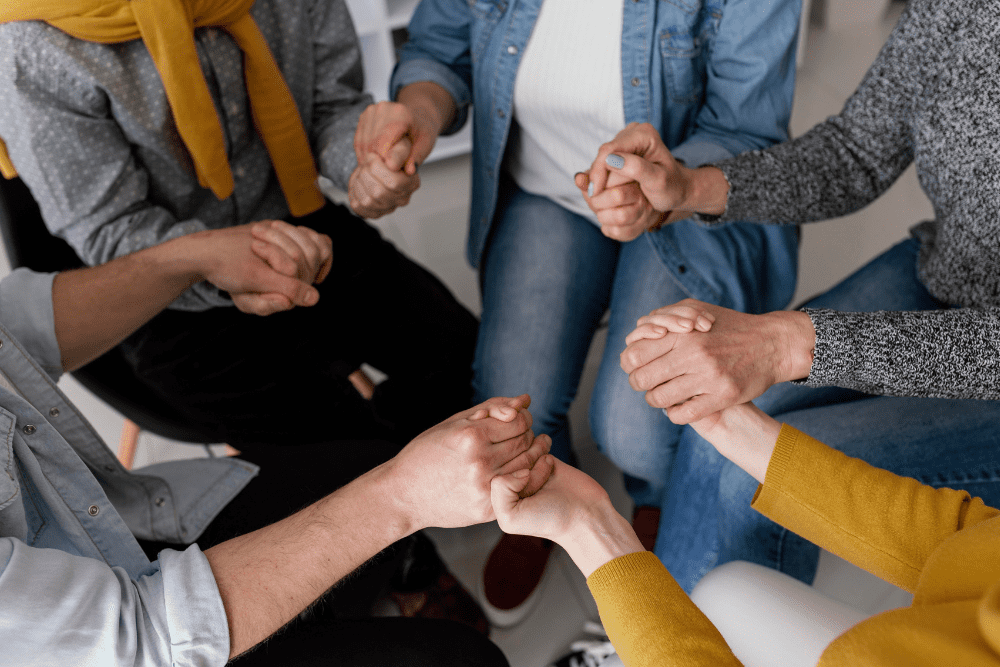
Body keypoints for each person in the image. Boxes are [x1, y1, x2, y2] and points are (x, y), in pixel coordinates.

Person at [351, 0, 803, 623]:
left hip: (689, 194)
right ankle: (549, 501)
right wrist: (420, 112)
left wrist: (667, 186)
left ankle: (658, 498)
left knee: (639, 426)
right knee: (511, 395)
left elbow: (748, 129)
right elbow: (442, 41)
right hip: (547, 188)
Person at [579, 0, 1000, 592]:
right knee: (717, 416)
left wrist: (791, 343)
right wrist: (690, 187)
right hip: (949, 272)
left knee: (758, 464)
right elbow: (854, 152)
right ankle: (665, 636)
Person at [0, 229, 553, 665]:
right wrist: (402, 495)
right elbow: (141, 637)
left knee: (357, 460)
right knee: (463, 660)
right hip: (128, 644)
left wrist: (191, 257)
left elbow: (20, 322)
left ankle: (359, 596)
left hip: (121, 538)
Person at [0, 0, 478, 451]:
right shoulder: (34, 42)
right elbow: (112, 231)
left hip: (298, 225)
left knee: (466, 367)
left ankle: (406, 466)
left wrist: (365, 164)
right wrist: (215, 264)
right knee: (341, 466)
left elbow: (328, 107)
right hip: (165, 291)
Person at [492, 394, 1000, 666]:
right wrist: (740, 432)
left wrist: (591, 532)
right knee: (725, 591)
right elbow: (972, 543)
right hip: (907, 646)